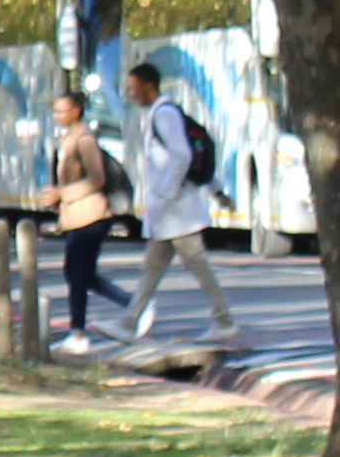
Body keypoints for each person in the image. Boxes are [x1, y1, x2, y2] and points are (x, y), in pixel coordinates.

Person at [118, 61, 238, 340]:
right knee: (153, 268)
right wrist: (216, 191)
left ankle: (224, 321)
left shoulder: (164, 115)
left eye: (134, 89)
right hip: (169, 212)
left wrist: (166, 192)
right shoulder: (161, 114)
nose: (131, 94)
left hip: (177, 211)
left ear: (150, 86)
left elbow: (183, 155)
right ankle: (127, 323)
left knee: (196, 264)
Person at [45, 89, 118, 350]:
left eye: (61, 111)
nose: (56, 116)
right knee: (78, 274)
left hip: (91, 216)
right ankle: (133, 305)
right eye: (54, 111)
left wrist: (61, 194)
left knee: (78, 275)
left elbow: (98, 178)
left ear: (76, 111)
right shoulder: (68, 138)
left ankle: (78, 334)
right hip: (77, 216)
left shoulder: (84, 139)